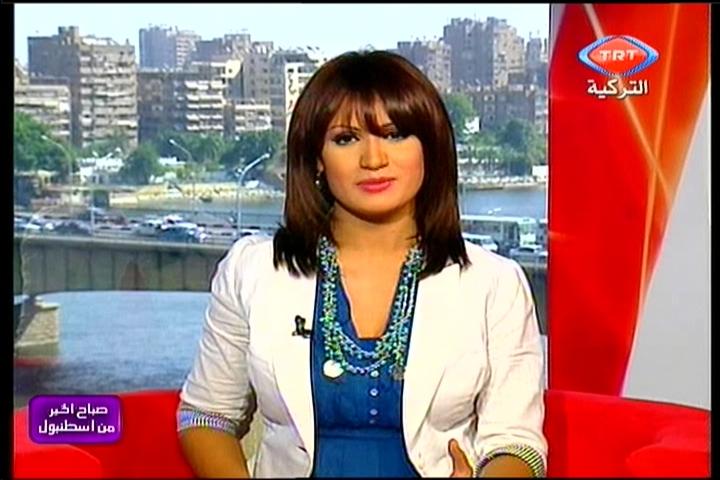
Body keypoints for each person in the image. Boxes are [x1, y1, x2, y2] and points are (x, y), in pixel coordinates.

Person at [177, 50, 547, 478]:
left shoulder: (494, 284)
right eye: (346, 139)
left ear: (430, 149)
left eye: (395, 134)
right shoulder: (252, 270)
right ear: (317, 157)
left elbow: (516, 444)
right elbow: (206, 416)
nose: (373, 160)